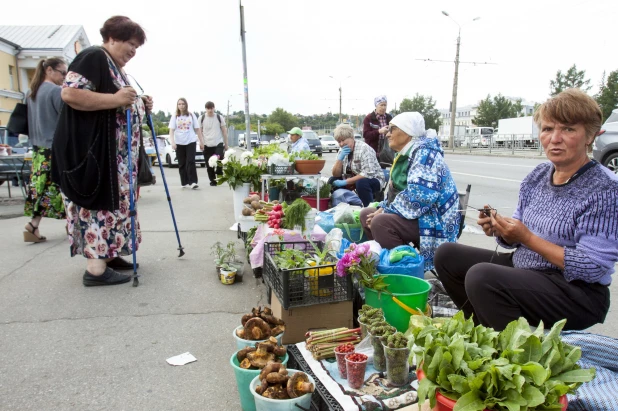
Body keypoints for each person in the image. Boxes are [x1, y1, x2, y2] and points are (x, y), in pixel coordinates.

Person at [434, 89, 618, 331]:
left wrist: (527, 238)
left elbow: (592, 267)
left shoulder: (604, 189)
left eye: (568, 129)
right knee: (447, 255)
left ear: (590, 136)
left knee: (482, 277)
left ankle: (516, 355)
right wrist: (500, 229)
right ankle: (485, 330)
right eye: (548, 129)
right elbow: (515, 237)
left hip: (576, 291)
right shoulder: (538, 175)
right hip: (527, 268)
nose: (555, 138)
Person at [52, 16, 154, 286]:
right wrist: (116, 99)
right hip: (94, 157)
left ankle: (109, 254)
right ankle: (96, 268)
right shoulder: (93, 56)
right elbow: (71, 94)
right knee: (96, 208)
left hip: (114, 161)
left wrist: (140, 103)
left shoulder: (114, 67)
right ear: (112, 38)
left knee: (114, 208)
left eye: (136, 47)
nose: (133, 51)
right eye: (130, 44)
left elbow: (118, 102)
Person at [359, 112, 460, 271]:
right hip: (420, 213)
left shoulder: (424, 154)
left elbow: (419, 197)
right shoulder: (409, 153)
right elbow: (400, 192)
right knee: (366, 214)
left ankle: (406, 271)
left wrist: (385, 210)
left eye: (392, 129)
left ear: (407, 132)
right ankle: (388, 262)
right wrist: (383, 207)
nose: (388, 134)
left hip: (435, 220)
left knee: (381, 223)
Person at [23, 57, 67, 243]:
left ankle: (33, 224)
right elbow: (66, 121)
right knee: (65, 187)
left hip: (38, 149)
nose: (64, 77)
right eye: (62, 72)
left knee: (42, 187)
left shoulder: (31, 92)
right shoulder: (56, 91)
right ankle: (73, 224)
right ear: (49, 70)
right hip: (55, 148)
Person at [331, 123, 385, 206]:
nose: (341, 144)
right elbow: (335, 174)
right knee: (332, 180)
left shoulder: (364, 149)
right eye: (339, 142)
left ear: (352, 138)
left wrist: (345, 182)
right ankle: (340, 208)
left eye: (343, 140)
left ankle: (368, 209)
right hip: (352, 178)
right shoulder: (341, 150)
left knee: (361, 183)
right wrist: (340, 159)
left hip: (373, 179)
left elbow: (367, 174)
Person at [169, 98, 204, 189]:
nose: (181, 106)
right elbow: (171, 130)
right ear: (177, 106)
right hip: (179, 142)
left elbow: (197, 129)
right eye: (179, 104)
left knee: (191, 161)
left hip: (191, 141)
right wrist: (172, 142)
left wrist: (201, 141)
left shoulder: (191, 115)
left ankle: (193, 182)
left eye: (183, 104)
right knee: (182, 163)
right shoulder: (175, 116)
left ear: (186, 105)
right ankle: (184, 181)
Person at [199, 101, 228, 186]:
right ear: (205, 109)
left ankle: (219, 170)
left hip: (218, 142)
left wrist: (226, 143)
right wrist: (201, 142)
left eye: (211, 108)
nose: (210, 110)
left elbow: (224, 130)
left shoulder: (219, 117)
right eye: (208, 108)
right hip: (207, 143)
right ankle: (213, 180)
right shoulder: (201, 118)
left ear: (214, 108)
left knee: (220, 157)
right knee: (209, 164)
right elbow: (199, 131)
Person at [363, 95, 392, 162]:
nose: (384, 107)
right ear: (376, 105)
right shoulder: (369, 118)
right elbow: (366, 135)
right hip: (372, 152)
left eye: (385, 105)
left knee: (385, 171)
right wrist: (379, 131)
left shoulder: (389, 117)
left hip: (386, 151)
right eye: (381, 105)